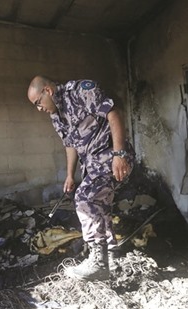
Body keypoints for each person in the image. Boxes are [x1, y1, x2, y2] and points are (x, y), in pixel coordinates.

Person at [27, 76, 135, 281]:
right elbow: (70, 145)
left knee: (86, 199)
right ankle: (110, 253)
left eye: (38, 103)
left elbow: (113, 115)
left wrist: (119, 155)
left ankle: (99, 263)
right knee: (98, 203)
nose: (39, 109)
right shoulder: (56, 116)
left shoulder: (81, 91)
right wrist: (70, 175)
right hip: (92, 164)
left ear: (47, 91)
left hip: (110, 156)